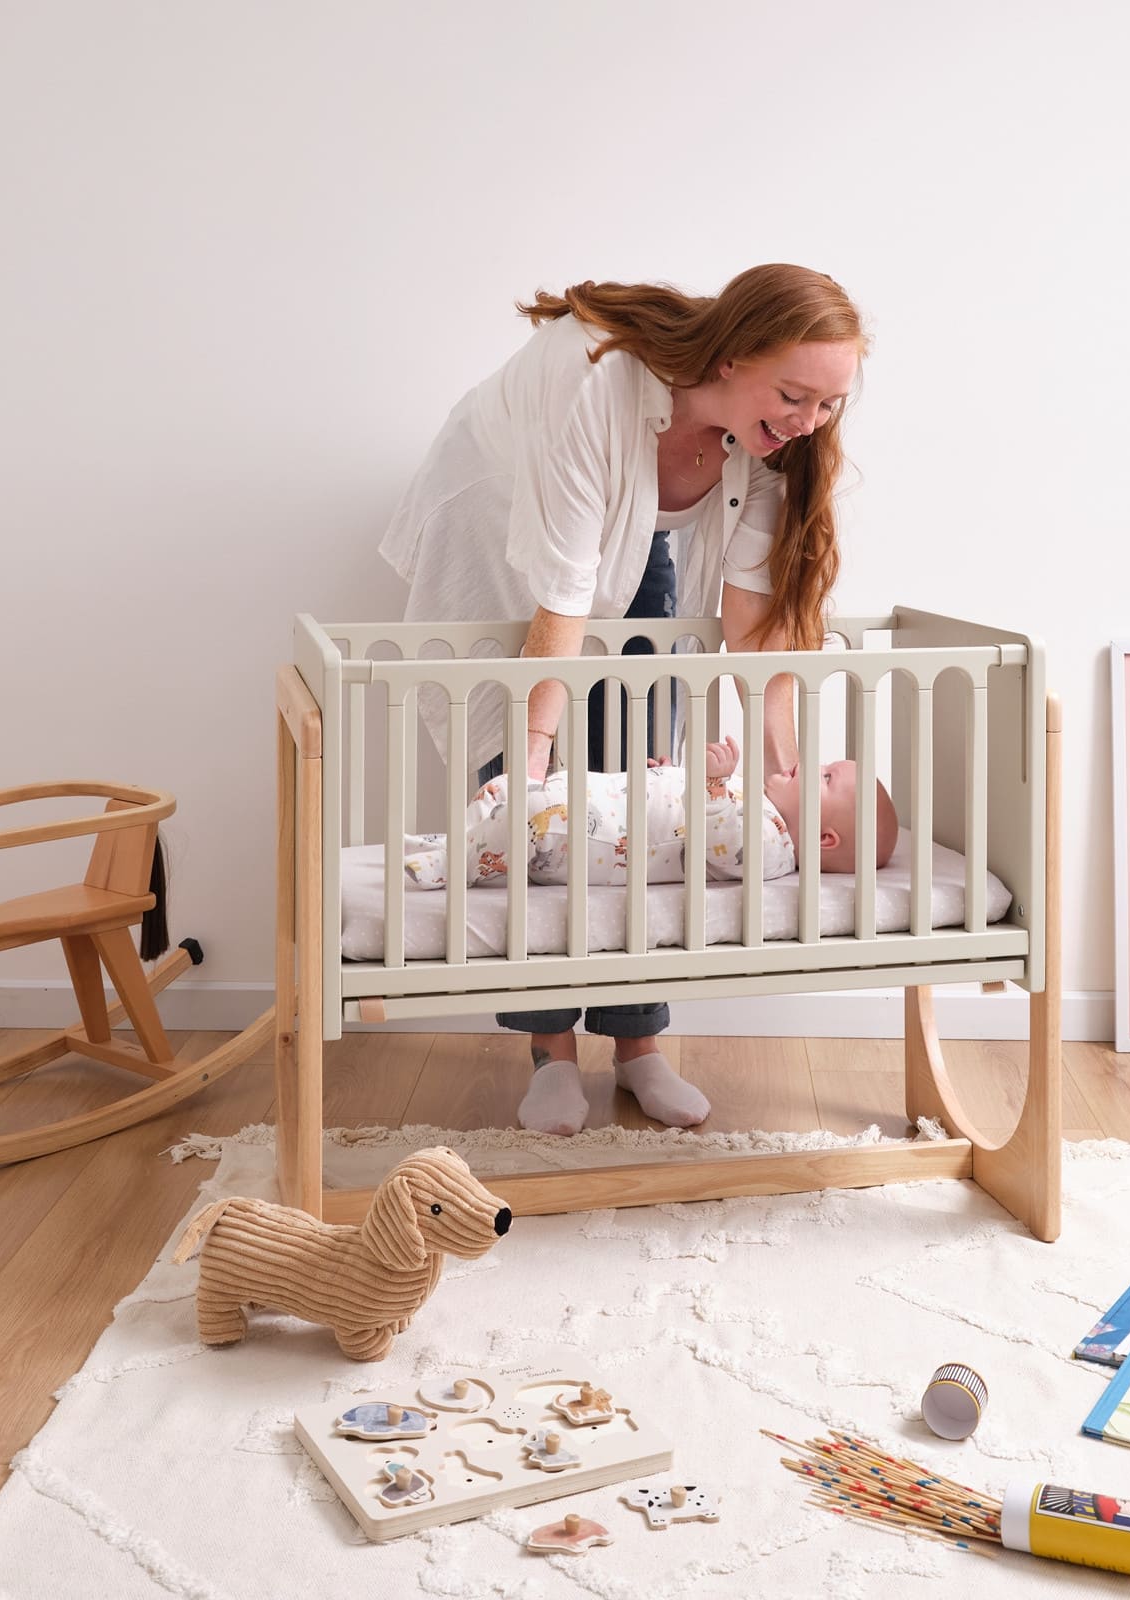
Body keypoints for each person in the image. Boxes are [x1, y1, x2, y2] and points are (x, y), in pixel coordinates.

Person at [380, 264, 888, 1137]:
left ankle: (637, 1043)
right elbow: (561, 602)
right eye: (794, 396)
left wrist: (790, 778)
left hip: (632, 531)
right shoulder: (596, 378)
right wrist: (530, 760)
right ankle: (550, 1051)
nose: (809, 423)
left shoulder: (773, 443)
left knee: (644, 808)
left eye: (828, 405)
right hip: (507, 520)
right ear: (731, 357)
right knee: (544, 817)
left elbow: (754, 626)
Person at [403, 735, 898, 890]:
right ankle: (459, 840)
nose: (809, 765)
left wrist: (712, 783)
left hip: (596, 839)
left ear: (825, 839)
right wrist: (669, 776)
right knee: (510, 790)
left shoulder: (773, 847)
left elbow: (719, 838)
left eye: (826, 777)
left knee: (533, 813)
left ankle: (453, 865)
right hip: (602, 804)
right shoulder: (762, 806)